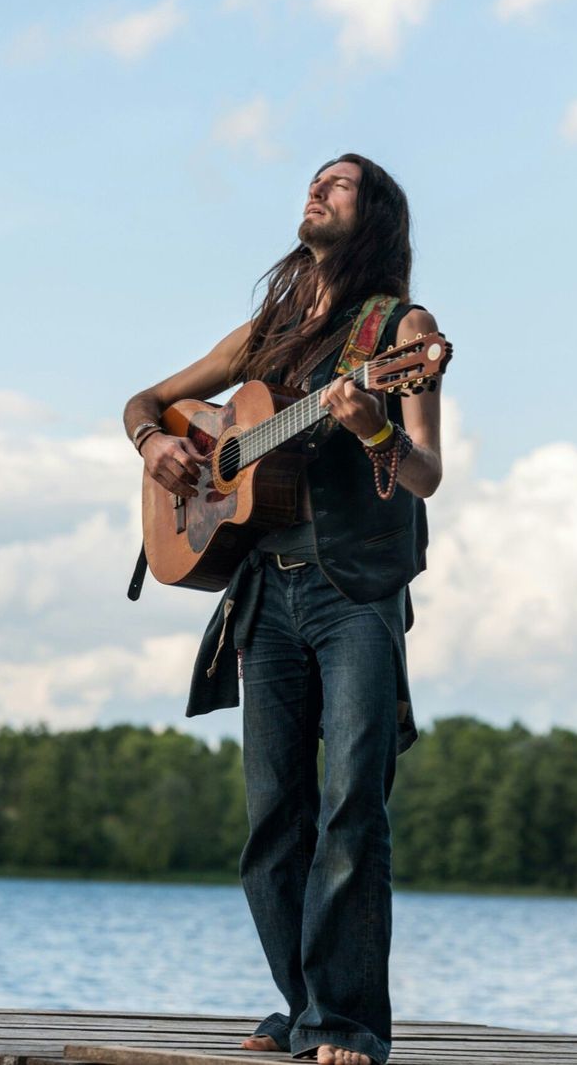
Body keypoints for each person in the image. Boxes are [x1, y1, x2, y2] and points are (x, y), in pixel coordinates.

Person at [123, 154, 445, 1065]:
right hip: (263, 594)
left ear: (374, 213)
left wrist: (371, 423)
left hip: (352, 595)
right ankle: (303, 1005)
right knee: (273, 821)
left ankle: (346, 1023)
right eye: (313, 180)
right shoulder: (269, 328)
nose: (316, 189)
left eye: (338, 184)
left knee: (352, 805)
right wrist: (159, 446)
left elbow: (426, 472)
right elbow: (147, 401)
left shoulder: (401, 332)